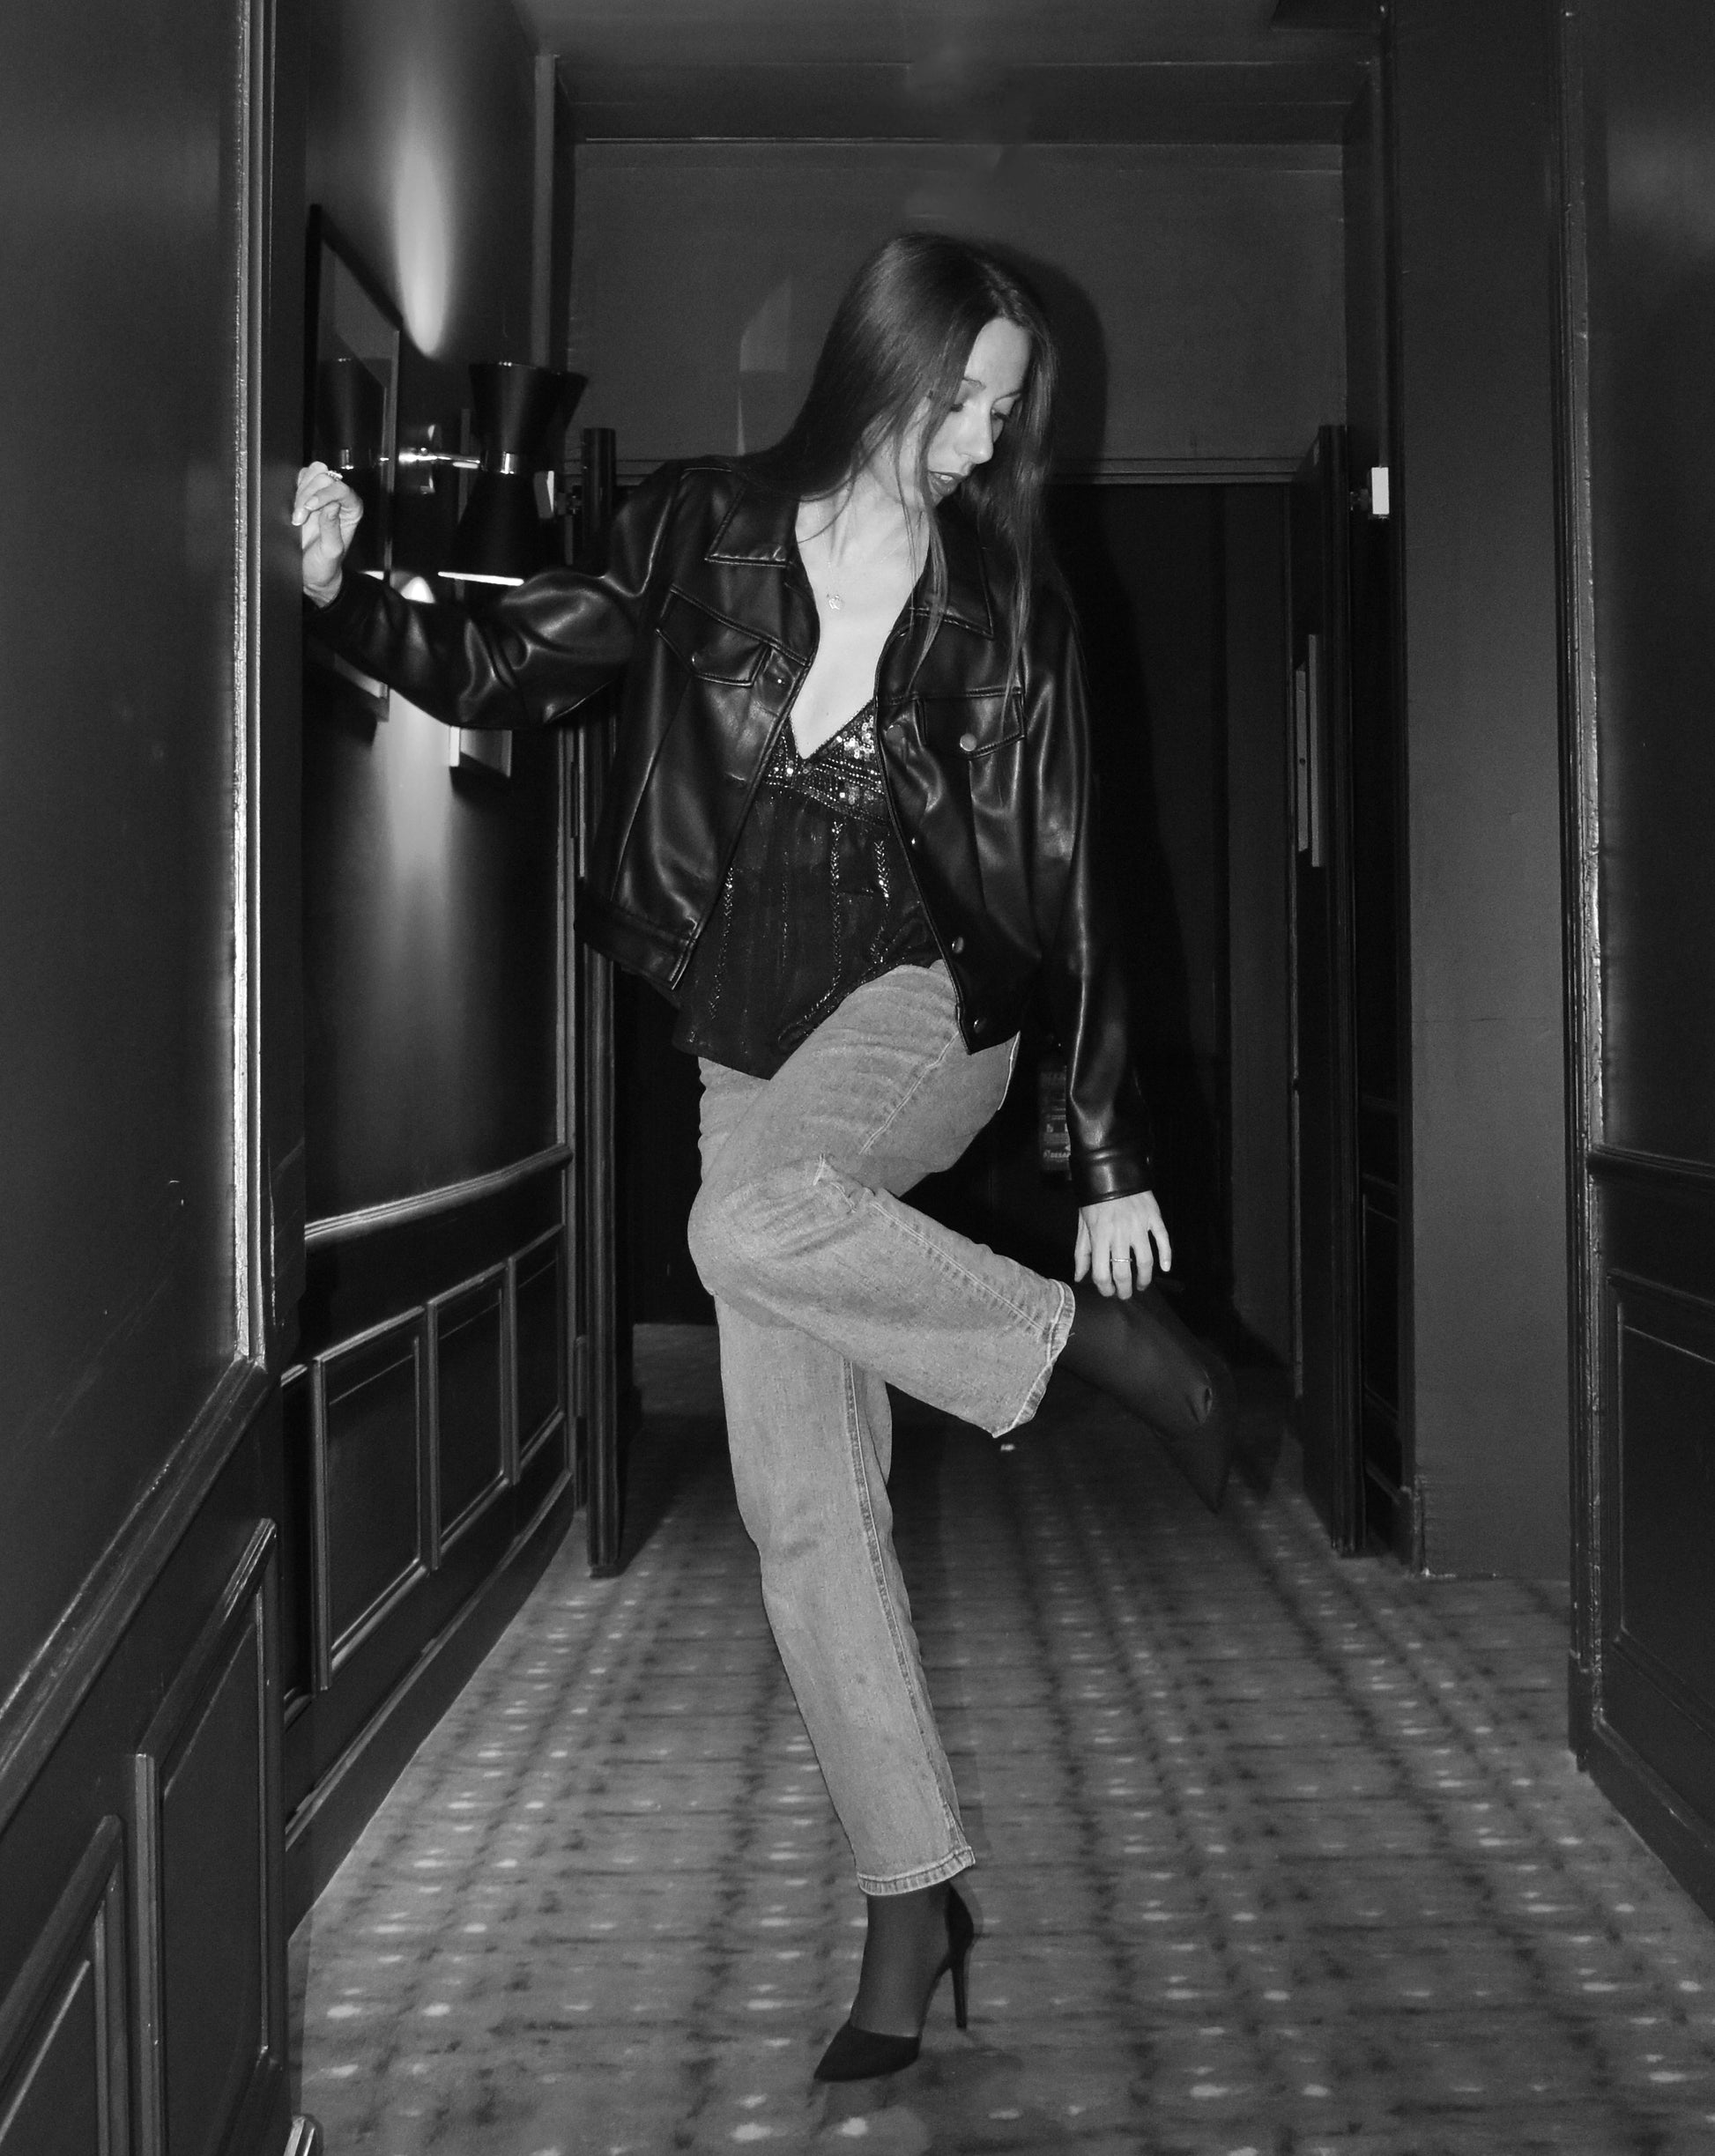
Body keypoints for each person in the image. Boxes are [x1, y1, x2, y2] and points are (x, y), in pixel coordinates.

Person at [294, 229, 1236, 2085]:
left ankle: (1083, 1344)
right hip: (745, 1025)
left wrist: (1107, 1149)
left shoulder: (1012, 602)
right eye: (967, 400)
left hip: (930, 999)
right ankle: (911, 1898)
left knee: (744, 1226)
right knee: (802, 1509)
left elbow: (1073, 872)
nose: (987, 439)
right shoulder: (698, 526)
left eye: (1006, 412)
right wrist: (343, 594)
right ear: (886, 370)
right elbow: (511, 662)